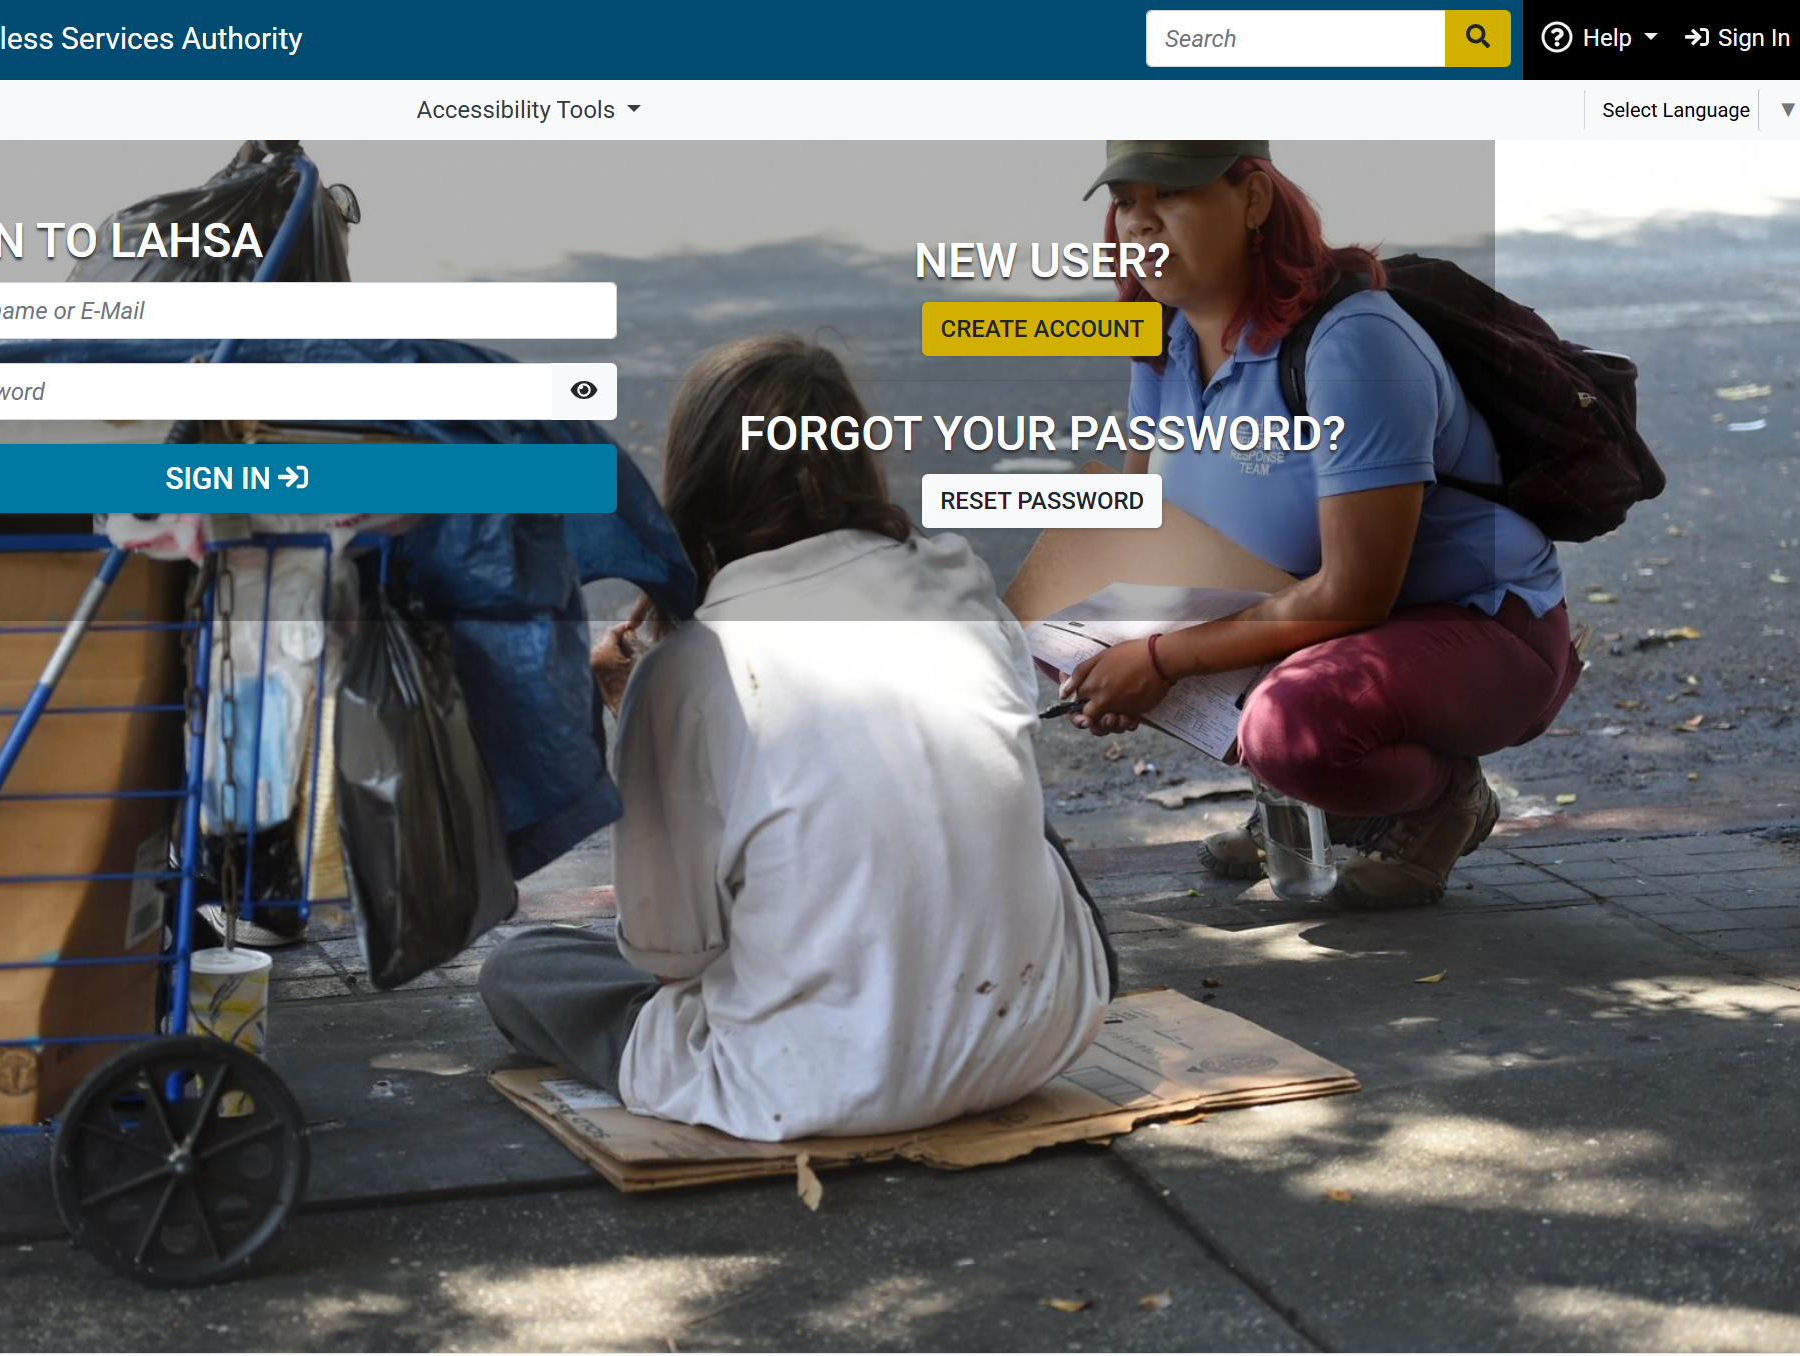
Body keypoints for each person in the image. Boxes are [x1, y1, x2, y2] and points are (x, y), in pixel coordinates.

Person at [478, 334, 1115, 1143]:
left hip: (808, 1080)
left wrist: (642, 708)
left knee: (523, 970)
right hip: (1033, 1036)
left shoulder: (684, 669)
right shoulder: (957, 577)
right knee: (977, 792)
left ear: (699, 486)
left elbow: (667, 955)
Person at [1061, 141, 1580, 908]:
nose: (1140, 222)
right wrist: (1092, 637)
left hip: (1479, 631)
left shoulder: (1350, 344)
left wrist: (1163, 659)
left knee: (1289, 730)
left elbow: (1352, 595)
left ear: (1253, 200)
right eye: (1125, 201)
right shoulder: (1161, 334)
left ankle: (1436, 798)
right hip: (1315, 625)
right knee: (1071, 644)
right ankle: (1307, 795)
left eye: (1169, 195)